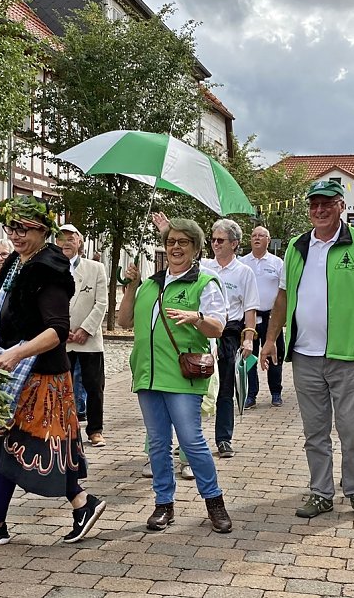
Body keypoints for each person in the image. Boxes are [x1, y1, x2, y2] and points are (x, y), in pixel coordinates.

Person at [0, 195, 105, 548]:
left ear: (43, 231)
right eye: (12, 227)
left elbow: (57, 330)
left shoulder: (49, 269)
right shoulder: (18, 261)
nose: (16, 235)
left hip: (40, 374)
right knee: (7, 445)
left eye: (24, 229)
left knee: (20, 447)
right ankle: (75, 505)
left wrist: (18, 353)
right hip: (16, 367)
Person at [261, 179, 354, 524]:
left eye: (327, 204)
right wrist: (271, 339)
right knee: (315, 432)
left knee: (352, 430)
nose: (319, 210)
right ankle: (321, 492)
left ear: (341, 207)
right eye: (314, 204)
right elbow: (282, 296)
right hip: (305, 355)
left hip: (346, 354)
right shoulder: (297, 246)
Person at [117, 216, 232, 533]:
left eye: (183, 242)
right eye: (170, 242)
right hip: (148, 375)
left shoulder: (204, 283)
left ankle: (215, 502)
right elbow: (124, 322)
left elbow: (217, 327)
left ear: (195, 248)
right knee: (157, 444)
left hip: (183, 377)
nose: (175, 247)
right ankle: (163, 505)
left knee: (191, 441)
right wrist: (131, 286)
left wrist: (197, 318)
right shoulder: (150, 285)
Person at [200, 219, 259, 458]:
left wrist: (248, 339)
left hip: (229, 333)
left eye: (220, 240)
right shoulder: (204, 266)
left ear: (234, 244)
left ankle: (224, 438)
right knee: (193, 385)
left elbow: (250, 310)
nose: (215, 244)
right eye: (213, 239)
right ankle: (186, 440)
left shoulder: (244, 272)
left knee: (225, 387)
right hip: (203, 329)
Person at [56, 223, 109, 448]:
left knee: (94, 387)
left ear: (80, 242)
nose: (66, 243)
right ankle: (64, 429)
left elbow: (101, 303)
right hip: (60, 338)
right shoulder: (50, 268)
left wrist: (85, 330)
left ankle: (95, 430)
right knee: (61, 386)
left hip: (89, 340)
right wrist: (61, 330)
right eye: (61, 239)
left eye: (71, 239)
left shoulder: (96, 268)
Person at [240, 226, 285, 408]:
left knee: (275, 355)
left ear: (268, 240)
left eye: (261, 235)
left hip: (271, 318)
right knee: (248, 355)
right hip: (249, 318)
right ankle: (251, 394)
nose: (257, 238)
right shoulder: (242, 262)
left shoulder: (277, 263)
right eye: (254, 235)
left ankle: (276, 392)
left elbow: (284, 290)